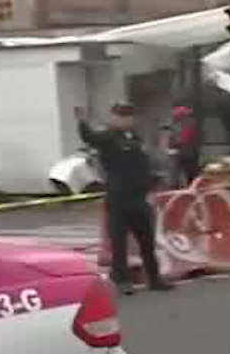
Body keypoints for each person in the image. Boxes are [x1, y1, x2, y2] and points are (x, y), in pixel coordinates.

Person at [76, 103, 174, 295]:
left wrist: (153, 179)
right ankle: (122, 280)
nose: (126, 119)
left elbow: (141, 164)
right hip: (118, 198)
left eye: (129, 115)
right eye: (121, 115)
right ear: (113, 117)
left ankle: (154, 279)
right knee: (119, 243)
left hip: (139, 197)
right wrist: (82, 121)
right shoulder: (108, 136)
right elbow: (89, 137)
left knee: (147, 241)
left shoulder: (135, 137)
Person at [169, 104, 200, 188]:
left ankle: (190, 190)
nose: (175, 119)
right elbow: (173, 139)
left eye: (176, 116)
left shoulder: (189, 123)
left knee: (190, 174)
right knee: (179, 173)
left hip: (188, 153)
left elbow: (184, 138)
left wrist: (175, 143)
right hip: (183, 153)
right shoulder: (178, 124)